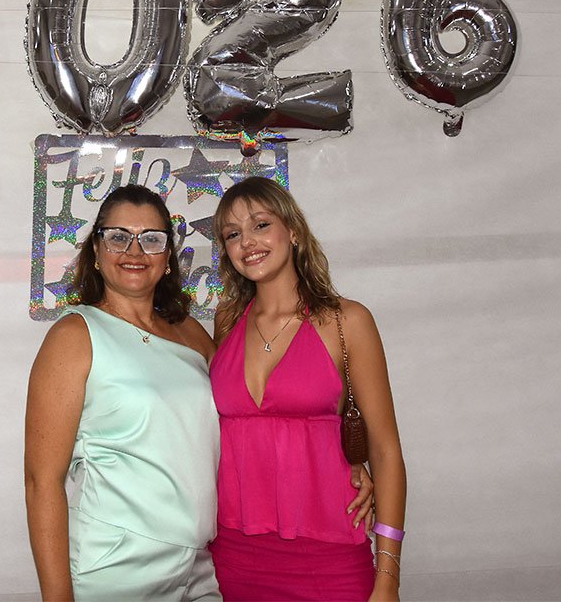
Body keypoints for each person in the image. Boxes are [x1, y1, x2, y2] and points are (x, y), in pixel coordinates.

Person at [209, 177, 407, 602]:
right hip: (234, 555)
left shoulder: (346, 321)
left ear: (294, 231)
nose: (247, 242)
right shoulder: (226, 320)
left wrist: (388, 576)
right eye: (232, 234)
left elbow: (386, 450)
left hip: (329, 554)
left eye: (261, 225)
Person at [24, 184, 222, 601]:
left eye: (151, 239)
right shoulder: (75, 335)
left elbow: (245, 417)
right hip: (116, 565)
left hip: (202, 565)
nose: (135, 251)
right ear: (96, 251)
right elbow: (43, 482)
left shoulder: (190, 333)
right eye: (118, 237)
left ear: (167, 257)